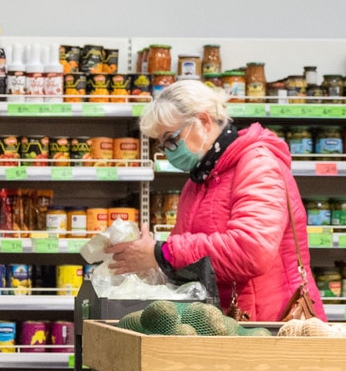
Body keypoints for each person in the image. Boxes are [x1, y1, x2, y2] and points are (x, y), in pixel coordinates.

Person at [107, 79, 325, 321]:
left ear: (203, 121)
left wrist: (163, 253)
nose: (168, 151)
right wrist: (152, 260)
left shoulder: (258, 165)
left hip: (271, 326)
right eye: (162, 145)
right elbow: (192, 260)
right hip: (227, 325)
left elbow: (251, 251)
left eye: (171, 139)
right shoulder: (198, 181)